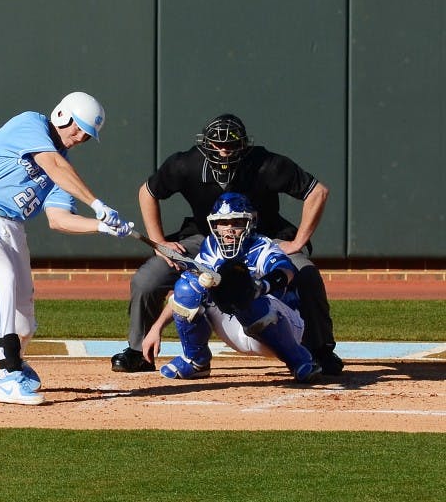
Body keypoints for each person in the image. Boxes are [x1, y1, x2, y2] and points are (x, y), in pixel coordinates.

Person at [110, 113, 343, 376]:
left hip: (265, 234)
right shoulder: (185, 164)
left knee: (305, 272)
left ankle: (321, 349)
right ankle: (139, 350)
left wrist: (299, 240)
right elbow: (147, 191)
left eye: (231, 144)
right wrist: (159, 242)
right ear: (204, 144)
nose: (224, 150)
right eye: (217, 144)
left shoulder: (266, 164)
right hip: (205, 237)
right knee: (148, 279)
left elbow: (318, 191)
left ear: (244, 145)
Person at [0, 91, 132, 406]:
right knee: (3, 279)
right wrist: (97, 204)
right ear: (62, 115)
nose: (80, 136)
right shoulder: (30, 123)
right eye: (78, 127)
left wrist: (101, 225)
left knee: (24, 319)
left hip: (11, 227)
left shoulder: (63, 169)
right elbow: (52, 164)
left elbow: (59, 219)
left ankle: (5, 350)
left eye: (87, 134)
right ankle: (7, 375)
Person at [140, 192, 321, 383]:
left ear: (250, 222)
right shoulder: (210, 249)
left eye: (236, 222)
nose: (228, 230)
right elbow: (184, 294)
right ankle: (196, 361)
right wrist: (157, 327)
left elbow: (286, 271)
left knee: (247, 297)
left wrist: (259, 287)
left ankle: (299, 360)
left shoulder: (262, 247)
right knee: (189, 285)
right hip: (235, 328)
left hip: (281, 325)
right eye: (223, 223)